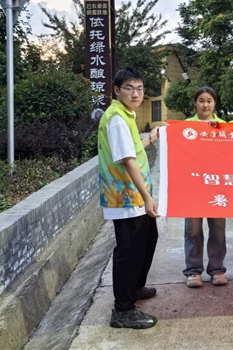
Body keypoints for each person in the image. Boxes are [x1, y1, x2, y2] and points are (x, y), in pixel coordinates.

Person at [98, 68, 159, 329]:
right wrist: (147, 197)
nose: (136, 94)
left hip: (133, 197)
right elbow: (128, 160)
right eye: (129, 88)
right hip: (126, 198)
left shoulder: (125, 115)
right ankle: (123, 310)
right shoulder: (117, 119)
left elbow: (132, 148)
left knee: (148, 240)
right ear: (116, 90)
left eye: (140, 88)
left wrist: (153, 137)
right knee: (129, 251)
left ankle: (134, 287)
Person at [183, 87, 228, 288]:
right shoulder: (185, 127)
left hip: (217, 185)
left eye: (209, 101)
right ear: (195, 103)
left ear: (214, 103)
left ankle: (217, 269)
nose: (205, 105)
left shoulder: (224, 126)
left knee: (218, 229)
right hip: (193, 185)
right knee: (192, 229)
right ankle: (193, 270)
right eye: (201, 101)